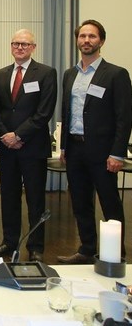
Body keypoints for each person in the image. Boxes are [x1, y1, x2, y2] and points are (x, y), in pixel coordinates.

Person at [57, 19, 132, 264]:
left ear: (101, 41)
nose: (86, 40)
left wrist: (118, 153)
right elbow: (66, 112)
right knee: (80, 202)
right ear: (77, 40)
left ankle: (116, 254)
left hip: (103, 152)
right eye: (82, 36)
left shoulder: (116, 74)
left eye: (92, 36)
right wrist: (65, 146)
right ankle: (87, 249)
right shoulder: (70, 74)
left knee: (110, 204)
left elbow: (124, 117)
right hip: (75, 149)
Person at [0, 29, 57, 262]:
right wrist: (5, 135)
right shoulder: (0, 74)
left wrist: (19, 135)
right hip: (7, 148)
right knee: (9, 196)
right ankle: (9, 241)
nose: (20, 47)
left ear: (33, 48)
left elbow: (44, 111)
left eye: (25, 44)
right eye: (16, 43)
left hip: (33, 147)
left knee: (35, 199)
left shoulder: (46, 73)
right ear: (11, 46)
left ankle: (36, 247)